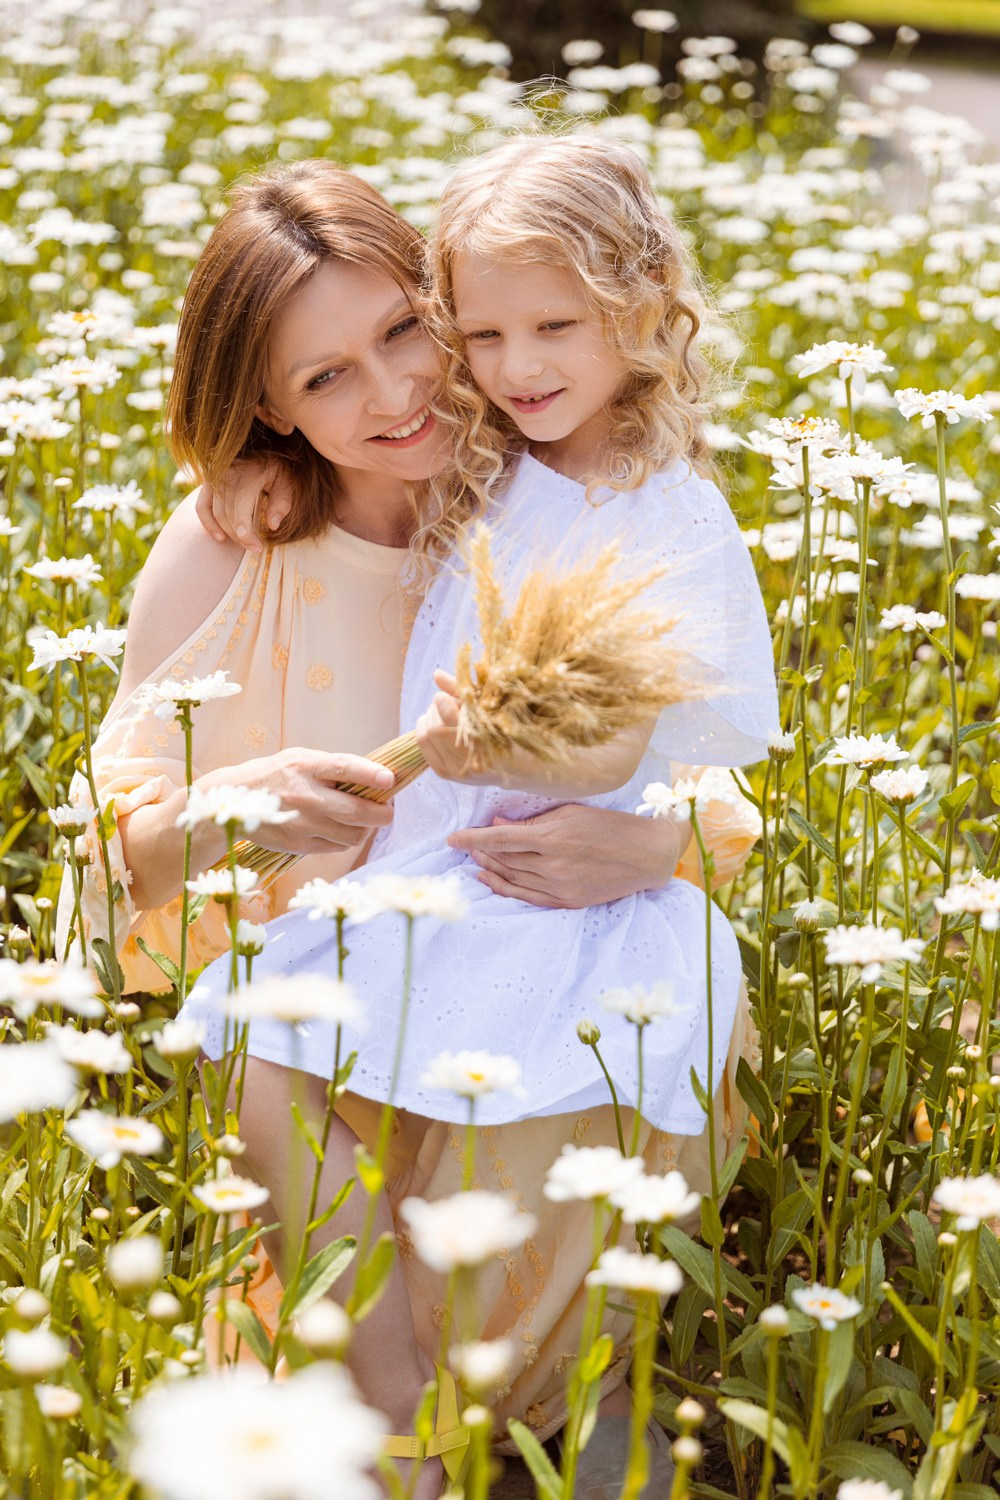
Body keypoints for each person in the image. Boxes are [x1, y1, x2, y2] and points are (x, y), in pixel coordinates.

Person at [53, 156, 762, 1499]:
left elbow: (690, 786)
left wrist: (649, 849)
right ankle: (413, 1420)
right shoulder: (228, 548)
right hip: (334, 1074)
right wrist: (230, 811)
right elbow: (94, 880)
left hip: (527, 994)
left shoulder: (522, 493)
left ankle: (498, 1410)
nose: (394, 396)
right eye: (326, 378)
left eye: (404, 332)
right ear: (268, 406)